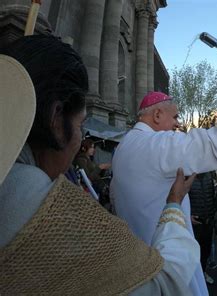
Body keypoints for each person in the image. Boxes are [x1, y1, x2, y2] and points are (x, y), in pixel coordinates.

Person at [0, 35, 200, 295]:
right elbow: (163, 282)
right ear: (57, 120)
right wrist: (173, 206)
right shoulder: (52, 215)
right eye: (82, 124)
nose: (81, 139)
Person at [111, 57, 217, 295]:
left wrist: (177, 210)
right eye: (176, 117)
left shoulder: (126, 145)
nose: (178, 124)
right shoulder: (155, 145)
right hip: (166, 271)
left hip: (139, 262)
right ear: (157, 115)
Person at [188, 172, 217, 285]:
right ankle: (193, 277)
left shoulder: (209, 176)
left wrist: (213, 215)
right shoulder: (187, 176)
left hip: (208, 221)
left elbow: (212, 197)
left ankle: (203, 272)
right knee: (193, 252)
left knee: (206, 250)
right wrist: (188, 215)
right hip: (194, 223)